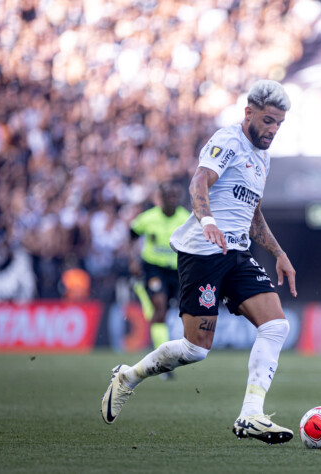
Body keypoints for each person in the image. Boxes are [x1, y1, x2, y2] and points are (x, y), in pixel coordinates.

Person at [101, 80, 298, 445]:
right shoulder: (228, 141)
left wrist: (279, 253)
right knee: (194, 350)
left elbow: (253, 214)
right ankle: (128, 377)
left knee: (276, 327)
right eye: (268, 121)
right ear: (249, 113)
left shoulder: (262, 158)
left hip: (236, 253)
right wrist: (208, 221)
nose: (272, 131)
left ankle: (251, 415)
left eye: (279, 124)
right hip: (203, 253)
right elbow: (199, 183)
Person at [129, 182, 190, 368]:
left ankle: (169, 348)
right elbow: (132, 234)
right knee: (160, 306)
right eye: (168, 196)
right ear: (161, 199)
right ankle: (162, 357)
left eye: (174, 196)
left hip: (176, 270)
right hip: (153, 267)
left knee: (179, 308)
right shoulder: (148, 218)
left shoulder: (186, 219)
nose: (172, 200)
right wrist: (132, 259)